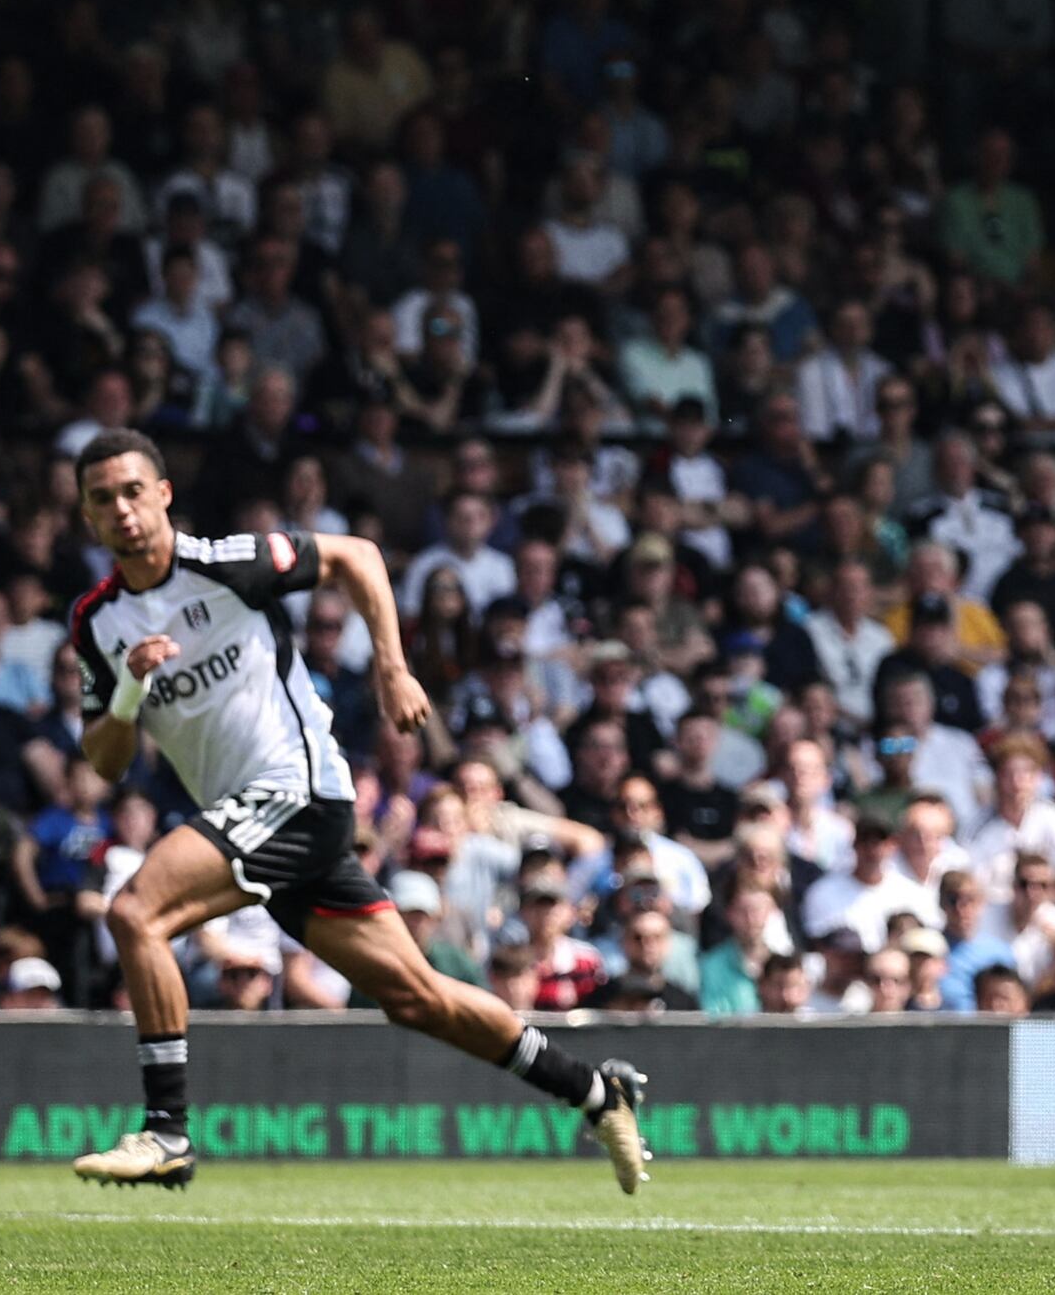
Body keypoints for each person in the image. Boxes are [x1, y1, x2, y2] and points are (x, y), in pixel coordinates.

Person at [56, 433, 650, 1193]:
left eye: (134, 490)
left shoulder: (225, 563)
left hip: (296, 794)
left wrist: (392, 671)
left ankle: (166, 1130)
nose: (122, 510)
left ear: (164, 494)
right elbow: (103, 759)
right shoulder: (97, 623)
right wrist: (133, 690)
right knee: (415, 997)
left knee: (137, 911)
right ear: (86, 513)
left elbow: (359, 556)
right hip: (259, 822)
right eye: (103, 498)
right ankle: (596, 1091)